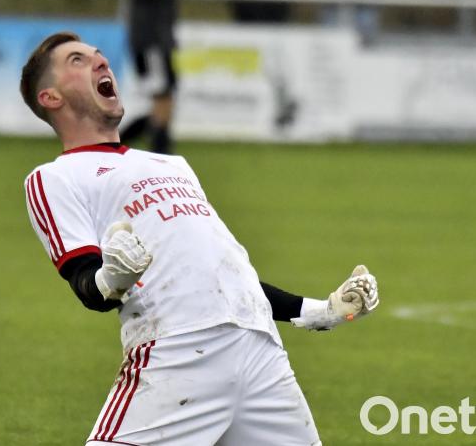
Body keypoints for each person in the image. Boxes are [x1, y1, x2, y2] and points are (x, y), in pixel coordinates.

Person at [19, 32, 380, 446]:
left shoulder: (173, 164)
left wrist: (322, 311)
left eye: (100, 57)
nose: (101, 63)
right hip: (180, 350)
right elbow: (87, 285)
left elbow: (224, 276)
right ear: (50, 98)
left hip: (261, 352)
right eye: (78, 61)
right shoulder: (53, 179)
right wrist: (112, 279)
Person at [120, 0, 178, 154]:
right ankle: (160, 150)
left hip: (156, 43)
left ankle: (159, 147)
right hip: (152, 43)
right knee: (162, 96)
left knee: (164, 98)